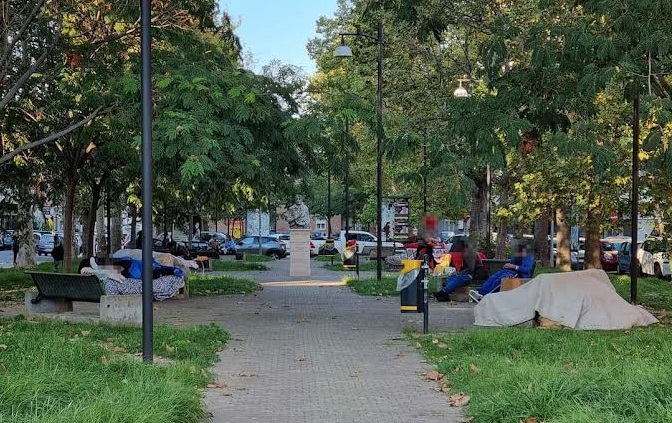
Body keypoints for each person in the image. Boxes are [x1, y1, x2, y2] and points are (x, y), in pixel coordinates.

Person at [469, 243, 535, 301]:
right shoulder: (516, 256)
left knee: (502, 278)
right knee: (493, 277)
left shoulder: (529, 257)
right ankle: (480, 292)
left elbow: (527, 270)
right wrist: (507, 265)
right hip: (510, 271)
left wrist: (514, 266)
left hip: (519, 275)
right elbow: (512, 263)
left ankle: (485, 295)